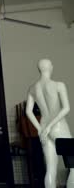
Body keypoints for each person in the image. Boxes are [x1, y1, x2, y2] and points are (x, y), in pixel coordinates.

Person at [26, 59, 74, 188]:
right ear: (50, 67)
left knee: (51, 169)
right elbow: (66, 108)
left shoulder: (33, 88)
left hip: (43, 128)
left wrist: (41, 129)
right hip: (58, 127)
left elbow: (28, 111)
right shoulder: (59, 85)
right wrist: (50, 126)